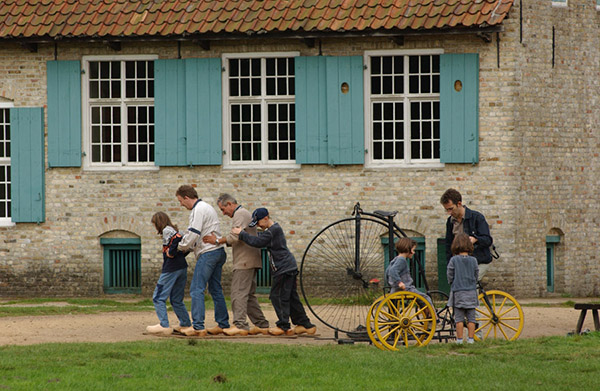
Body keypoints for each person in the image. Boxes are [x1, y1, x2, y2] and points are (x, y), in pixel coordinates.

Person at [231, 208, 316, 336]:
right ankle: (305, 324)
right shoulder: (273, 230)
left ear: (266, 218)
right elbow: (261, 237)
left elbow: (258, 242)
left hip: (283, 269)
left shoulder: (272, 231)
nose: (258, 226)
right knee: (292, 297)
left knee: (278, 296)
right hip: (289, 267)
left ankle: (284, 326)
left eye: (259, 222)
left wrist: (241, 234)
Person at [202, 194, 270, 336]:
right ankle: (262, 325)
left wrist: (216, 240)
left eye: (223, 209)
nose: (223, 213)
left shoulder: (239, 214)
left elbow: (234, 237)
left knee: (238, 293)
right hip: (251, 259)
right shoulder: (244, 213)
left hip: (244, 261)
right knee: (248, 295)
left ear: (229, 204)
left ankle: (240, 325)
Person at [175, 185, 230, 337]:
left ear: (187, 197)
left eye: (181, 201)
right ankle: (223, 324)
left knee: (196, 288)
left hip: (208, 253)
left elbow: (193, 233)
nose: (181, 204)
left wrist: (179, 247)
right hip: (218, 252)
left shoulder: (198, 210)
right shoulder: (207, 207)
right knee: (215, 289)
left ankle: (198, 326)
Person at [146, 212, 192, 336]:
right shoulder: (174, 229)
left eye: (155, 224)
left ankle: (164, 325)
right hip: (181, 267)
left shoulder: (167, 230)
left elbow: (177, 237)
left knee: (158, 297)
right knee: (176, 299)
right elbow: (185, 243)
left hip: (171, 268)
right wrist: (179, 255)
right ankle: (186, 323)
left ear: (158, 223)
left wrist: (171, 253)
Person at [441, 188, 493, 279]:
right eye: (446, 210)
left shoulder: (477, 217)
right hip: (460, 263)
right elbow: (448, 245)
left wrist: (475, 239)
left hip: (479, 261)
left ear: (459, 204)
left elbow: (488, 240)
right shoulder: (450, 221)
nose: (449, 213)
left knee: (470, 283)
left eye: (451, 209)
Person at [385, 237, 434, 312]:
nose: (414, 252)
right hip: (406, 289)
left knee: (420, 299)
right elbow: (392, 271)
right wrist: (399, 282)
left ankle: (428, 314)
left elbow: (387, 272)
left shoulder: (395, 259)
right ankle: (433, 318)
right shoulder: (402, 260)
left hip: (395, 289)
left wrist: (391, 284)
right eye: (413, 250)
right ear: (408, 250)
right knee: (426, 298)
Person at [447, 233, 479, 344]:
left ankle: (459, 340)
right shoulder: (473, 260)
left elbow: (450, 273)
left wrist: (452, 282)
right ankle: (471, 339)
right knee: (471, 318)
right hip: (471, 291)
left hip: (459, 292)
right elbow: (476, 274)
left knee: (459, 318)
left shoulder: (454, 260)